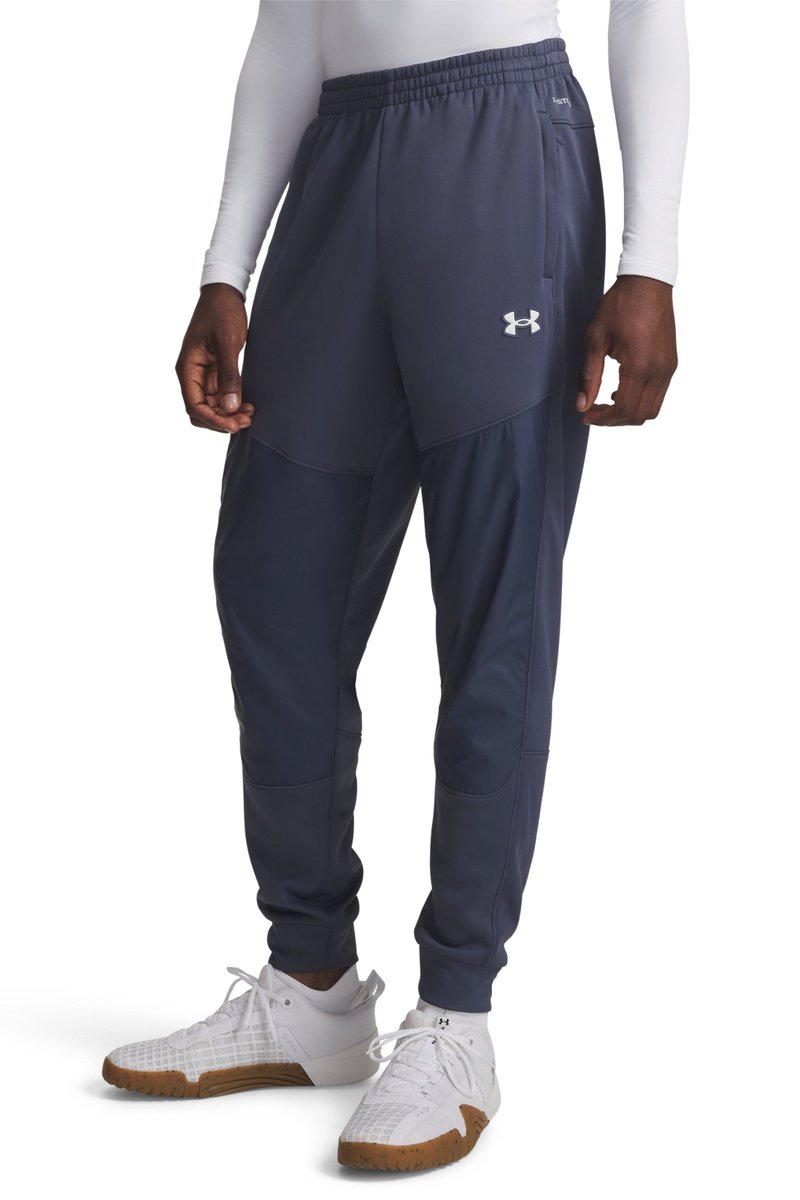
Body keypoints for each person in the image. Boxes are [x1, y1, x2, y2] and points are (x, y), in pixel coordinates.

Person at [102, 0, 689, 1172]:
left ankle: (456, 1016)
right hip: (338, 162)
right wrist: (226, 267)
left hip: (501, 148)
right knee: (273, 580)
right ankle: (311, 984)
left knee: (493, 605)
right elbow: (289, 24)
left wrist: (648, 261)